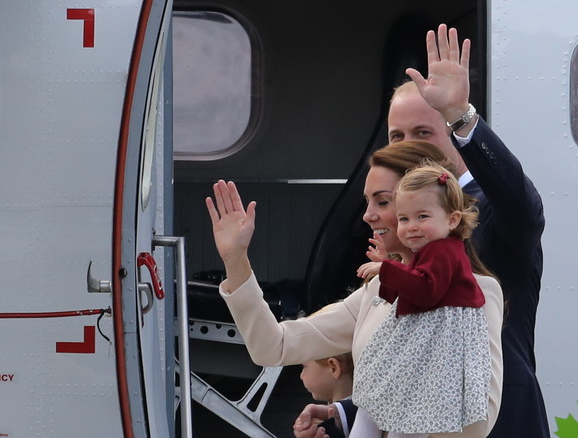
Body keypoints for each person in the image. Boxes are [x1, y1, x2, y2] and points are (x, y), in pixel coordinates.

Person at [204, 140, 504, 438]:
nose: (367, 215)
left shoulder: (477, 291)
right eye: (368, 201)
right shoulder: (376, 292)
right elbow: (274, 346)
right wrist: (236, 260)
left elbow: (477, 423)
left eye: (383, 201)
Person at [385, 24, 549, 438]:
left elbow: (524, 208)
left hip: (497, 420)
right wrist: (345, 412)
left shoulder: (493, 209)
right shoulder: (397, 225)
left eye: (423, 132)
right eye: (396, 136)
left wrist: (461, 116)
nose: (408, 146)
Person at [351, 163, 492, 437]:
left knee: (409, 406)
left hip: (434, 346)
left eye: (422, 216)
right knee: (395, 401)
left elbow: (427, 291)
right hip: (424, 344)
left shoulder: (444, 251)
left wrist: (386, 269)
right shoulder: (432, 251)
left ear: (452, 220)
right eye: (403, 219)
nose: (411, 227)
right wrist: (389, 265)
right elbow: (408, 292)